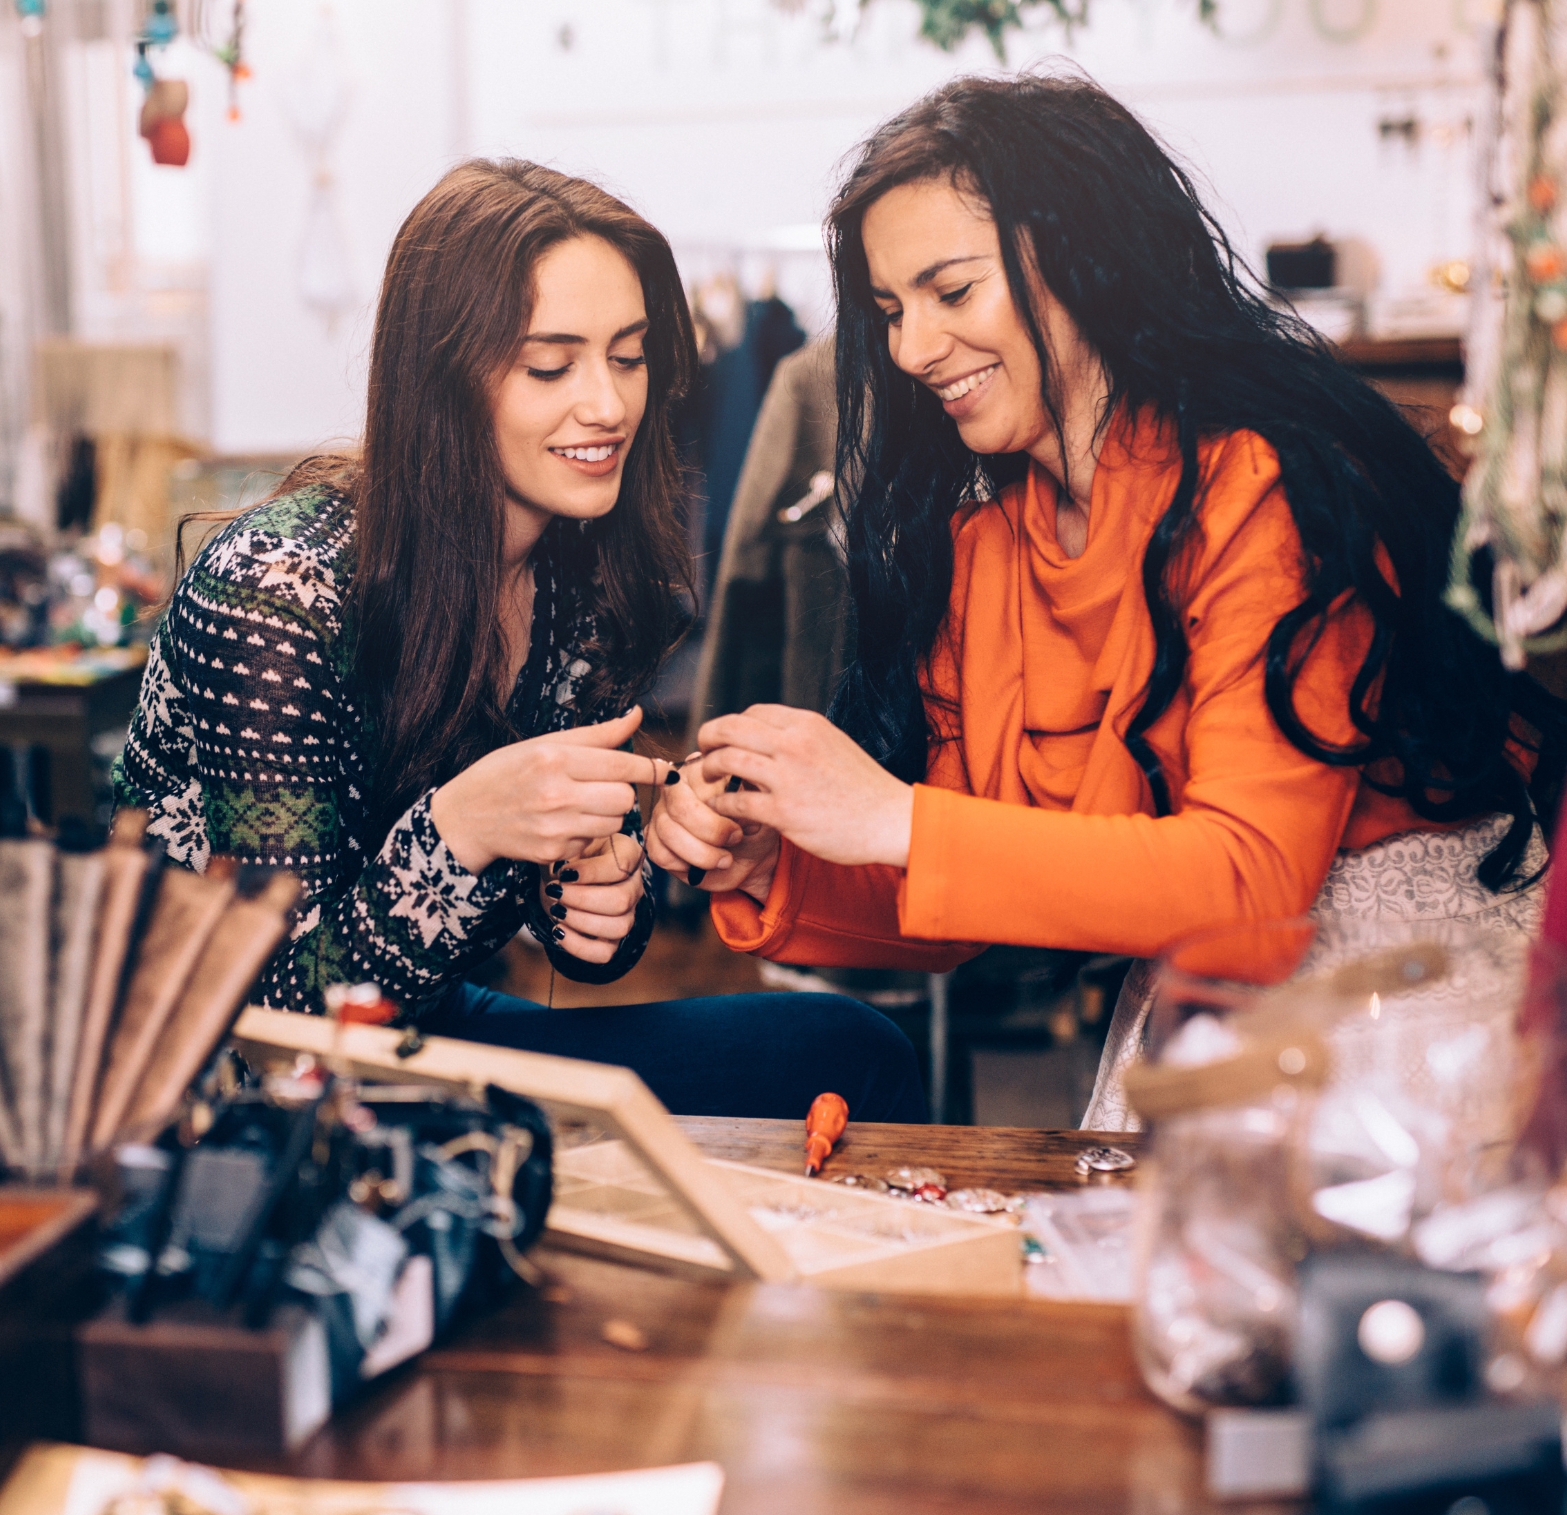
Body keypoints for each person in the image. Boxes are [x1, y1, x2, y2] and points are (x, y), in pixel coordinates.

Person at [646, 73, 1565, 1127]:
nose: (908, 349)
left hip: (1398, 1024)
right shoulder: (984, 548)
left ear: (1080, 261)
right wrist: (783, 865)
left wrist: (889, 817)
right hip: (1211, 1018)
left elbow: (1251, 881)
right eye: (890, 311)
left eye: (951, 292)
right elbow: (970, 886)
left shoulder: (1260, 490)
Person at [114, 159, 924, 1123]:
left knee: (847, 1051)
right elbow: (276, 1017)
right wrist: (461, 829)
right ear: (443, 382)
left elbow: (578, 927)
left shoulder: (580, 573)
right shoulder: (276, 592)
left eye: (628, 356)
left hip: (412, 1030)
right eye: (552, 365)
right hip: (212, 1093)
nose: (609, 404)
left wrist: (597, 890)